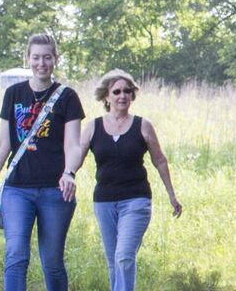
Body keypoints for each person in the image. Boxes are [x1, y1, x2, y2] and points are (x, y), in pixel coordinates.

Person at [0, 33, 85, 291]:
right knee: (15, 257)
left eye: (47, 57)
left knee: (52, 262)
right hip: (17, 188)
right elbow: (3, 145)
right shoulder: (13, 94)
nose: (41, 63)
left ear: (55, 58)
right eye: (36, 57)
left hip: (55, 190)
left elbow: (73, 145)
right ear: (28, 59)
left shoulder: (68, 97)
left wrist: (69, 172)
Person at [78, 69, 182, 291]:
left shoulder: (143, 125)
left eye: (127, 91)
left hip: (136, 200)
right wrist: (66, 176)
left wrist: (172, 196)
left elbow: (160, 161)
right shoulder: (93, 126)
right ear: (106, 96)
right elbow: (76, 156)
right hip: (104, 201)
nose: (122, 96)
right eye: (116, 91)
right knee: (113, 262)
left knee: (124, 256)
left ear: (133, 95)